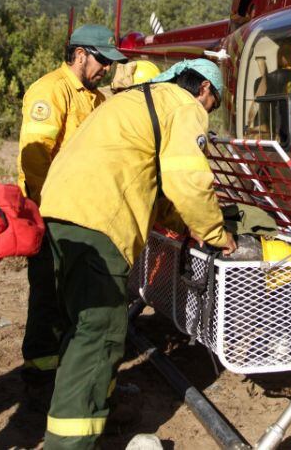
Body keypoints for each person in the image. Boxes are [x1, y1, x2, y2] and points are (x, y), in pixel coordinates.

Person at [36, 58, 237, 448]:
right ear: (205, 89)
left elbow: (153, 183)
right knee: (100, 335)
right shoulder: (186, 105)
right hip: (98, 220)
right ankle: (69, 443)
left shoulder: (136, 100)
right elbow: (186, 177)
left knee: (80, 326)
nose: (210, 112)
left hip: (59, 213)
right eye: (214, 104)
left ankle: (96, 409)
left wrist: (184, 226)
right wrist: (216, 233)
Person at [17, 24, 128, 383]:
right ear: (80, 54)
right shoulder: (51, 90)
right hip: (52, 213)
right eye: (102, 61)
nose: (106, 69)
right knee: (48, 295)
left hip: (83, 214)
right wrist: (46, 212)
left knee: (73, 294)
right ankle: (40, 373)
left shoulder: (95, 97)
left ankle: (66, 366)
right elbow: (34, 160)